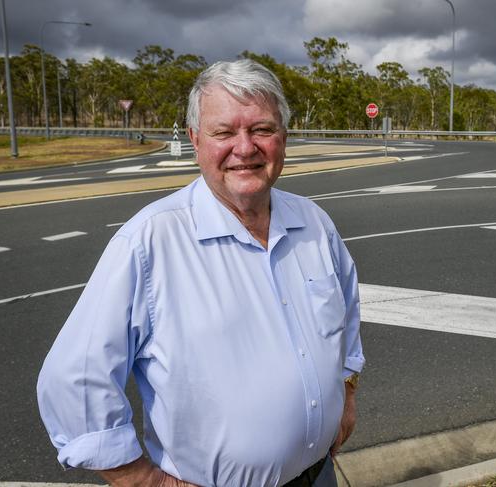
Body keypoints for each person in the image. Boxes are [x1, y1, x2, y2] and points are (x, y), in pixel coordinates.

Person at [37, 59, 364, 487]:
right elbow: (74, 378)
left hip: (319, 475)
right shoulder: (150, 242)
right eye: (224, 132)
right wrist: (143, 480)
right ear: (195, 139)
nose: (245, 148)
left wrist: (348, 389)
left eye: (262, 129)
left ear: (283, 136)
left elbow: (346, 314)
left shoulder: (314, 224)